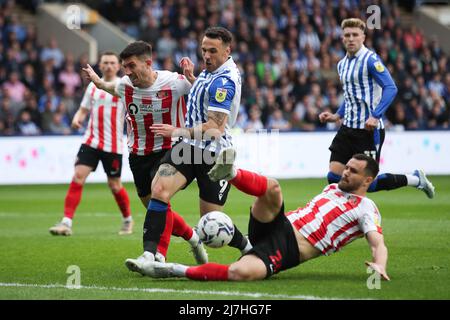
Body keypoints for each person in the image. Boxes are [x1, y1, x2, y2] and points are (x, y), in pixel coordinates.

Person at [137, 151, 391, 281]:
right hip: (277, 223)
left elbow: (377, 243)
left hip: (289, 248)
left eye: (353, 171)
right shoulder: (333, 187)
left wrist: (379, 264)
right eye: (345, 167)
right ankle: (231, 173)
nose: (345, 173)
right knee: (273, 188)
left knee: (239, 273)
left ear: (368, 180)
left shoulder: (367, 208)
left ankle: (170, 269)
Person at [123, 26, 252, 274]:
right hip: (188, 148)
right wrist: (193, 79)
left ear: (228, 51)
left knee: (210, 223)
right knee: (159, 190)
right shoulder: (211, 70)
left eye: (212, 51)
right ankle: (150, 256)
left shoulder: (225, 81)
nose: (206, 55)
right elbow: (202, 96)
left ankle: (247, 247)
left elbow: (214, 127)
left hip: (212, 154)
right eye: (204, 49)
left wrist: (176, 131)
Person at [82, 41, 207, 264]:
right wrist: (98, 82)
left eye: (131, 66)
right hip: (138, 155)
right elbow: (110, 88)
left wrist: (191, 78)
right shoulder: (124, 85)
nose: (126, 72)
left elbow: (203, 96)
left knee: (160, 192)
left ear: (148, 63)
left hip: (171, 151)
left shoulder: (174, 82)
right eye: (124, 67)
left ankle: (155, 254)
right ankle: (192, 237)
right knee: (158, 208)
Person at [318, 18, 435, 199]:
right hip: (347, 128)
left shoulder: (370, 60)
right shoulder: (342, 64)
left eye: (355, 35)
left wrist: (375, 115)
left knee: (369, 184)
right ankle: (345, 219)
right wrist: (336, 115)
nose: (351, 39)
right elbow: (351, 95)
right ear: (342, 38)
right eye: (347, 35)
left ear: (363, 37)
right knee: (334, 178)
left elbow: (391, 88)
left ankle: (416, 179)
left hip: (368, 130)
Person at [49, 52, 133, 236]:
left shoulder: (122, 86)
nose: (109, 66)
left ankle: (127, 219)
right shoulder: (92, 88)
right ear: (100, 66)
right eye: (105, 63)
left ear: (118, 66)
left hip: (113, 145)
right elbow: (83, 109)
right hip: (91, 141)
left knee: (115, 185)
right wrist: (77, 118)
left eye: (112, 63)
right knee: (78, 176)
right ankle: (66, 222)